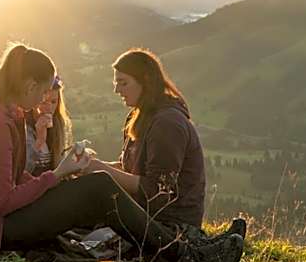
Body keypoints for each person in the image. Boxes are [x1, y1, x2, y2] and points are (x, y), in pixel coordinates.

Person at [0, 43, 243, 262]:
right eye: (44, 92)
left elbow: (6, 182)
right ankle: (187, 257)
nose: (44, 101)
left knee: (94, 189)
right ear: (29, 86)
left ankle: (184, 251)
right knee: (98, 189)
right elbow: (1, 201)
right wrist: (56, 175)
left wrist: (59, 177)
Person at [85, 48, 247, 243]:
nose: (116, 90)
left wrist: (101, 170)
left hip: (171, 222)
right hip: (147, 213)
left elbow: (157, 190)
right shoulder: (140, 115)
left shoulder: (167, 124)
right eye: (116, 82)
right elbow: (130, 169)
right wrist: (90, 165)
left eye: (123, 83)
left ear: (145, 81)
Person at [24, 75, 72, 175]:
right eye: (43, 102)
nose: (49, 108)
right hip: (34, 188)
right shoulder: (23, 128)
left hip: (54, 184)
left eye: (53, 102)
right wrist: (39, 141)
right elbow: (21, 172)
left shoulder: (57, 126)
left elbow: (58, 167)